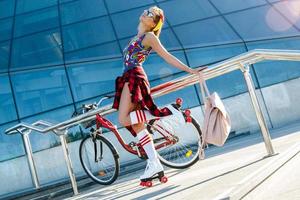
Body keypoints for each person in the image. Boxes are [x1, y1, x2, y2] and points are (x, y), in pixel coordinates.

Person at [112, 6, 206, 183]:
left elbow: (167, 56)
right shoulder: (137, 37)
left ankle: (170, 112)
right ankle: (155, 163)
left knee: (124, 120)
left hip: (134, 77)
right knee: (138, 125)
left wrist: (189, 70)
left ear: (154, 23)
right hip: (128, 77)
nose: (146, 13)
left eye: (151, 15)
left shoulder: (150, 37)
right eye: (147, 11)